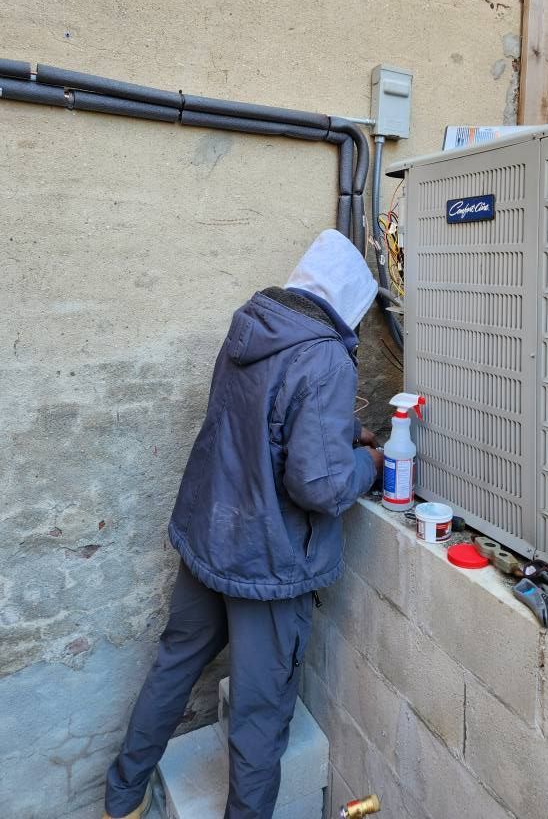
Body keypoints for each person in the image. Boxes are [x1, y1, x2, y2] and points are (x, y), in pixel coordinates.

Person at [103, 229, 383, 819]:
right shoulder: (327, 356)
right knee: (261, 717)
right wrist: (368, 462)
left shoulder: (250, 326)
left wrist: (336, 439)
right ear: (351, 300)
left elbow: (260, 427)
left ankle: (121, 800)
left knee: (174, 665)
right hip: (268, 560)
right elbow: (319, 486)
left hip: (211, 532)